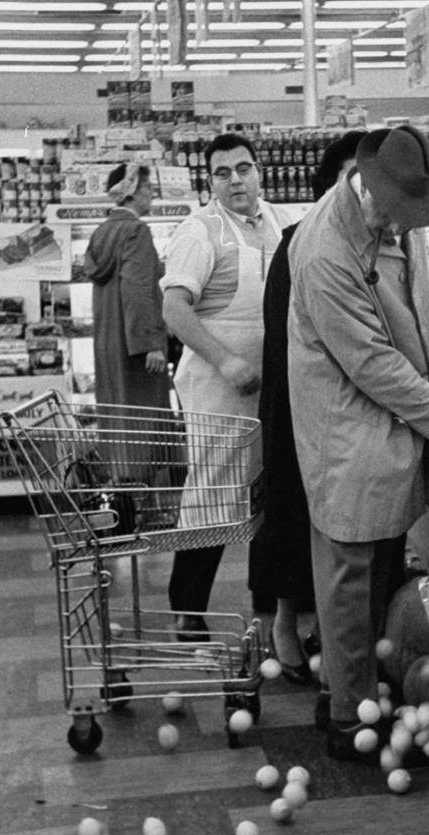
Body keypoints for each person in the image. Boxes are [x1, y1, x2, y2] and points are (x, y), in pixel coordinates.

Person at [287, 124, 429, 764]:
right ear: (365, 184)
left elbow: (410, 316)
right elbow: (372, 363)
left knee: (380, 560)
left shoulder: (394, 221)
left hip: (393, 417)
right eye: (394, 213)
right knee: (349, 571)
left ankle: (363, 692)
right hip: (347, 425)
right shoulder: (325, 251)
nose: (399, 226)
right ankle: (347, 722)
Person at [161, 133, 293, 642]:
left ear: (259, 171)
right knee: (213, 496)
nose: (236, 180)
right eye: (223, 173)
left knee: (273, 492)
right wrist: (227, 362)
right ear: (210, 181)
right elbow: (175, 309)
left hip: (277, 379)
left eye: (243, 168)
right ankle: (187, 610)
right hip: (220, 383)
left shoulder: (283, 222)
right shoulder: (200, 230)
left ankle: (270, 602)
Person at [247, 130, 366, 684]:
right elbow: (284, 339)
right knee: (291, 511)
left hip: (343, 410)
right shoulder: (298, 242)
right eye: (350, 178)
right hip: (297, 400)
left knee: (330, 523)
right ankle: (283, 625)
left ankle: (326, 629)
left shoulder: (372, 245)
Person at [84, 162, 168, 409]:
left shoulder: (101, 232)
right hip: (137, 351)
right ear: (131, 190)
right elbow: (137, 290)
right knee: (144, 420)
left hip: (107, 343)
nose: (152, 192)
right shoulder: (136, 231)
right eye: (148, 186)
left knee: (117, 419)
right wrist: (151, 344)